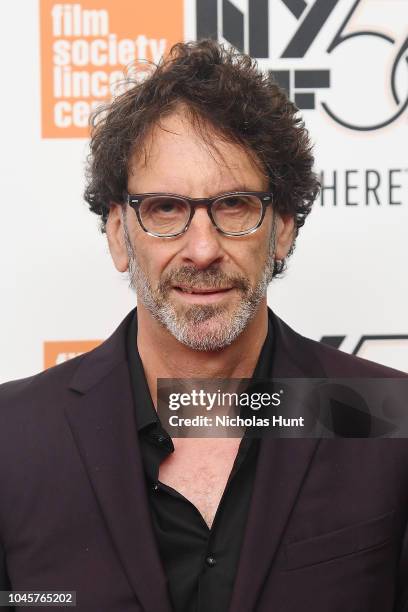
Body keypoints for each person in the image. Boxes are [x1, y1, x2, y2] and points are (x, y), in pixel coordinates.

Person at [0, 39, 407, 612]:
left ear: (284, 228)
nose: (202, 249)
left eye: (235, 205)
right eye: (166, 208)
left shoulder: (386, 420)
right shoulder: (12, 439)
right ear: (119, 233)